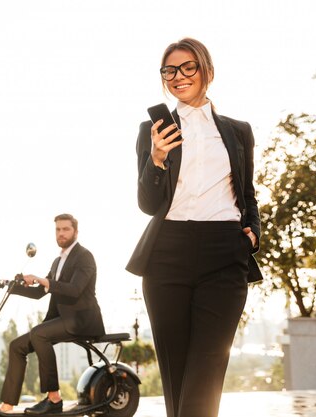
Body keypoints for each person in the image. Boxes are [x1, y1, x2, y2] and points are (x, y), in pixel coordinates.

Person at [126, 38, 263, 417]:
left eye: (188, 67)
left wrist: (252, 232)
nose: (178, 76)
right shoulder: (151, 129)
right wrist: (155, 160)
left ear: (207, 71)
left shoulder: (238, 131)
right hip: (167, 254)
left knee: (206, 369)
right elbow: (148, 204)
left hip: (224, 254)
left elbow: (247, 193)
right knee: (177, 374)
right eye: (169, 70)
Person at [0, 213, 105, 415]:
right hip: (62, 320)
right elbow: (40, 292)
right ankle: (7, 405)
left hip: (81, 320)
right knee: (16, 346)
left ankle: (54, 398)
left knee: (39, 333)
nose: (61, 233)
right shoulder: (57, 262)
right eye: (58, 229)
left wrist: (41, 279)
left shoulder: (85, 256)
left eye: (66, 229)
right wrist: (12, 286)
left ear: (75, 231)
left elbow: (74, 289)